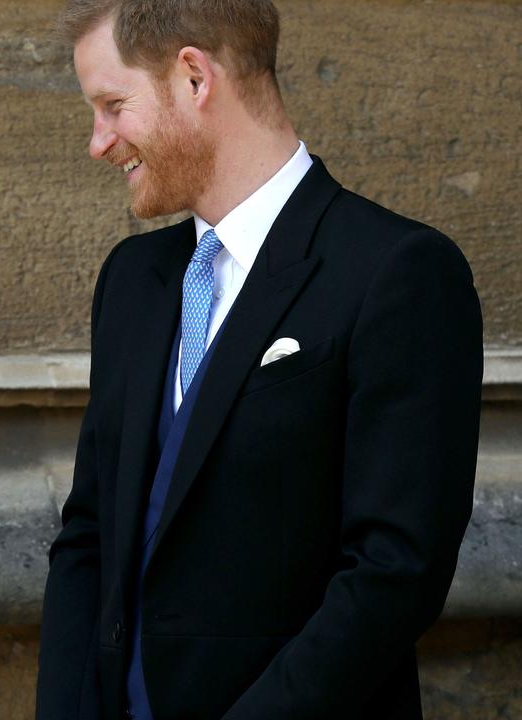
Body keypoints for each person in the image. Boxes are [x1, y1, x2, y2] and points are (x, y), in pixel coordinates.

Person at [35, 1, 482, 718]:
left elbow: (395, 573)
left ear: (192, 78)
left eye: (113, 105)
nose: (99, 142)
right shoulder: (134, 280)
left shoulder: (398, 273)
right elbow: (89, 533)